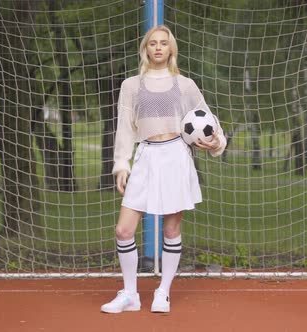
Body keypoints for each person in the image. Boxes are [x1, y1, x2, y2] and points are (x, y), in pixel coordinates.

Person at [100, 25, 227, 314]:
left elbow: (207, 117)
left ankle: (163, 292)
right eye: (153, 43)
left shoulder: (185, 84)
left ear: (171, 49)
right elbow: (123, 128)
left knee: (171, 228)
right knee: (123, 229)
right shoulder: (131, 85)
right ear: (145, 49)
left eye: (163, 43)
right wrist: (121, 164)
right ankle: (130, 294)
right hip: (146, 156)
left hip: (176, 157)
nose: (158, 47)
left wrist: (217, 140)